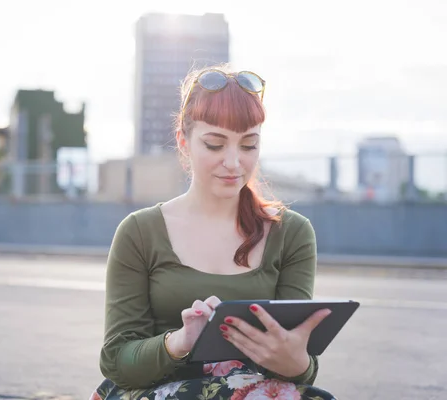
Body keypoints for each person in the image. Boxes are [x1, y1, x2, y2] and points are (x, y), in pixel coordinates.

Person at [89, 64, 337, 400]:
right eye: (215, 145)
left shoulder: (290, 234)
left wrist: (298, 362)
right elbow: (118, 361)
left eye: (248, 145)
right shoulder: (140, 232)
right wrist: (180, 341)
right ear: (184, 142)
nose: (234, 162)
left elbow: (297, 367)